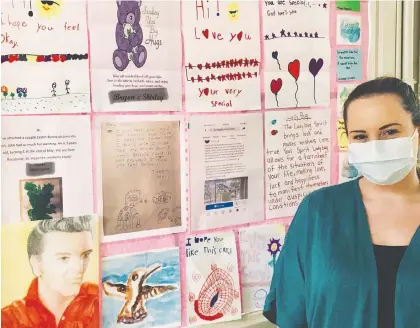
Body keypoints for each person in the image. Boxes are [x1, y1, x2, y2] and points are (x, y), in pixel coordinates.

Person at [263, 77, 420, 328]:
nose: (375, 147)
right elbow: (292, 312)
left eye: (390, 132)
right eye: (360, 136)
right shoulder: (318, 212)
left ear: (417, 132)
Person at [1, 216, 99, 327]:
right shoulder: (10, 319)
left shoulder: (100, 301)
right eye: (64, 258)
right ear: (37, 264)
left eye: (85, 255)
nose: (79, 268)